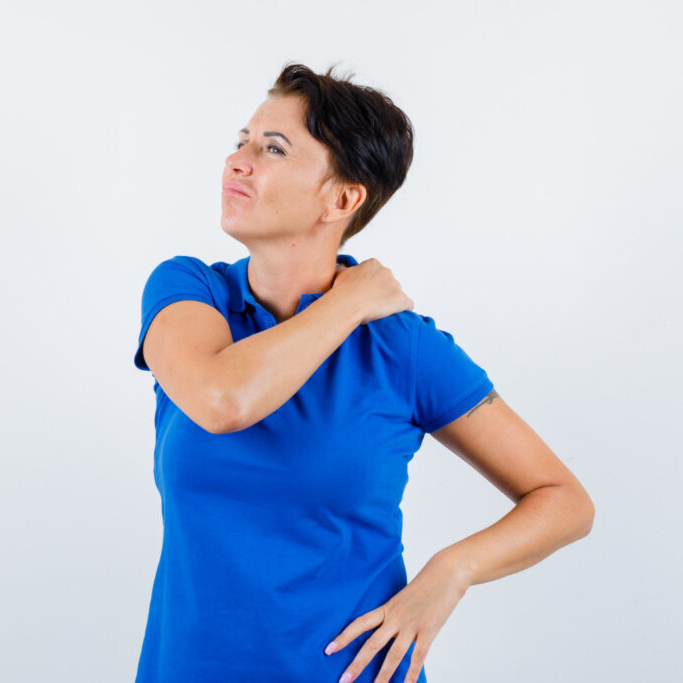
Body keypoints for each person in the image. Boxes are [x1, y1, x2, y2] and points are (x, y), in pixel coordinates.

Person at [131, 63, 595, 683]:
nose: (238, 161)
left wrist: (447, 574)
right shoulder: (189, 293)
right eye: (241, 140)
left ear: (343, 199)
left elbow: (565, 501)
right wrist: (351, 298)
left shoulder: (400, 348)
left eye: (273, 149)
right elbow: (223, 401)